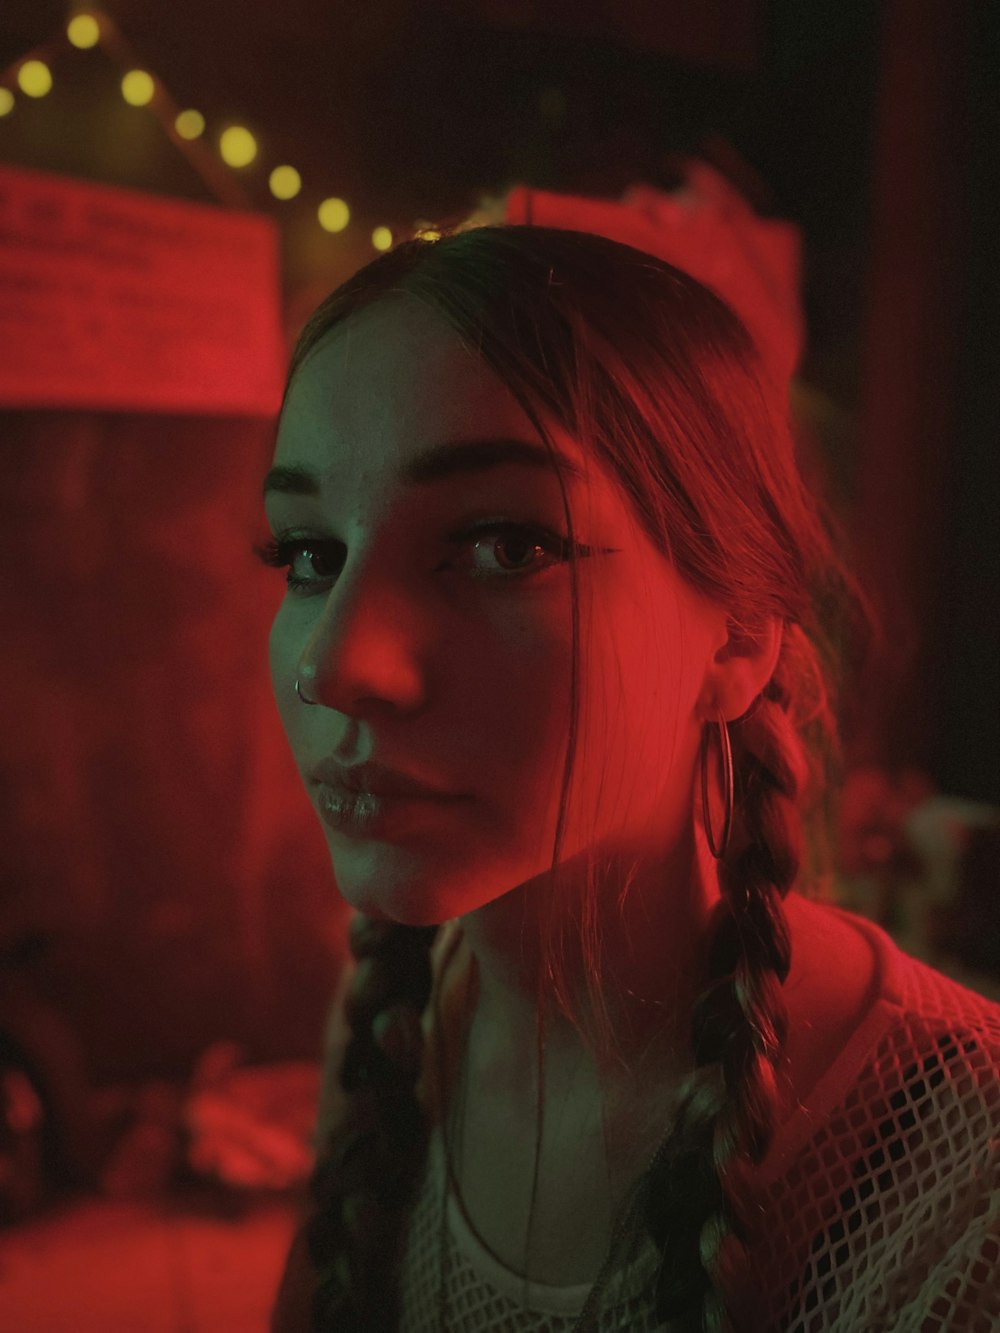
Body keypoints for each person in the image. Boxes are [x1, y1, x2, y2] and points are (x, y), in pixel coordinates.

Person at [262, 225, 1000, 1332]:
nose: (336, 666)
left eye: (504, 543)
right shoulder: (393, 1015)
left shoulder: (962, 1183)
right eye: (310, 553)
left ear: (737, 637)